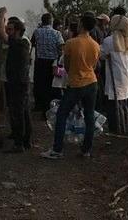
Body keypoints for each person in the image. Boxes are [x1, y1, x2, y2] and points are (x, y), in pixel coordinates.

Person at [41, 13, 100, 159]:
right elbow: (94, 65)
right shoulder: (95, 45)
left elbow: (66, 65)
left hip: (75, 84)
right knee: (89, 115)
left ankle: (57, 149)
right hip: (92, 82)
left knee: (62, 114)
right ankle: (86, 150)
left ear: (81, 24)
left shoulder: (71, 43)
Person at [0, 6, 33, 153]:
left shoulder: (20, 43)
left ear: (17, 30)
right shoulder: (20, 42)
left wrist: (2, 14)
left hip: (18, 83)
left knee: (19, 113)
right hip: (19, 82)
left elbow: (0, 33)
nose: (8, 32)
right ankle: (25, 141)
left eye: (10, 29)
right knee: (23, 112)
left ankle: (19, 144)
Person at [101, 15, 128, 133]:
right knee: (122, 104)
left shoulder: (109, 41)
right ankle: (124, 127)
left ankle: (115, 128)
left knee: (113, 105)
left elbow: (100, 54)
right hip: (124, 77)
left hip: (114, 77)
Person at [31, 13, 65, 113]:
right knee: (53, 85)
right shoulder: (57, 33)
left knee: (39, 84)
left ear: (42, 21)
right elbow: (61, 47)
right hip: (53, 63)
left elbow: (32, 43)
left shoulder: (37, 31)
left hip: (40, 61)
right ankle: (50, 107)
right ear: (51, 21)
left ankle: (39, 105)